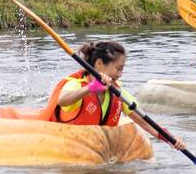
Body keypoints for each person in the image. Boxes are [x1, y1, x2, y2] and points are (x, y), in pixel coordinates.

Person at [43, 41, 187, 149]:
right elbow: (63, 100)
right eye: (118, 69)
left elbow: (144, 121)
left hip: (96, 146)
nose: (120, 74)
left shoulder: (119, 93)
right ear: (99, 64)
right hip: (68, 143)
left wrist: (170, 138)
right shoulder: (77, 84)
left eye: (122, 69)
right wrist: (90, 88)